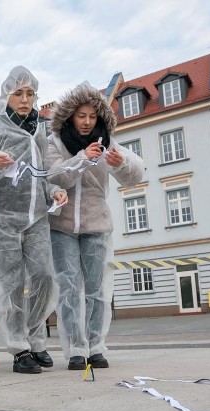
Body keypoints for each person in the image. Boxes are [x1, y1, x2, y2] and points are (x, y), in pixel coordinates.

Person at [0, 65, 66, 374]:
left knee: (45, 277)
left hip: (35, 216)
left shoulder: (40, 129)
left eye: (30, 94)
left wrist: (54, 190)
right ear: (6, 95)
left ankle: (35, 338)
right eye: (18, 93)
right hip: (1, 218)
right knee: (9, 285)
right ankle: (19, 348)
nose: (24, 99)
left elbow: (42, 171)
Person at [45, 81, 144, 370]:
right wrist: (81, 158)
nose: (87, 122)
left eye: (92, 116)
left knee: (98, 289)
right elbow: (53, 176)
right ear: (70, 117)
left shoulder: (107, 142)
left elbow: (134, 176)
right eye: (81, 116)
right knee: (68, 288)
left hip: (97, 224)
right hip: (61, 226)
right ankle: (76, 350)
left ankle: (96, 347)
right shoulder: (56, 143)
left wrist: (120, 161)